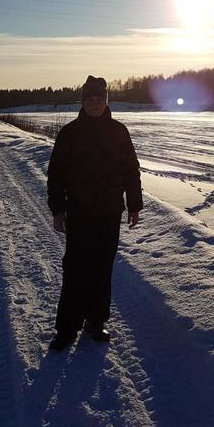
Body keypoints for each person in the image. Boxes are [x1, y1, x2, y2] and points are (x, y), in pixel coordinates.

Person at [46, 75, 142, 350]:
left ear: (105, 101)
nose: (95, 103)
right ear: (83, 101)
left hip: (110, 212)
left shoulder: (119, 132)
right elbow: (56, 174)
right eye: (90, 99)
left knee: (102, 269)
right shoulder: (70, 133)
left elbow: (130, 171)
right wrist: (58, 209)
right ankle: (66, 328)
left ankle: (95, 322)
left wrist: (134, 204)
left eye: (99, 99)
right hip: (79, 212)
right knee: (75, 270)